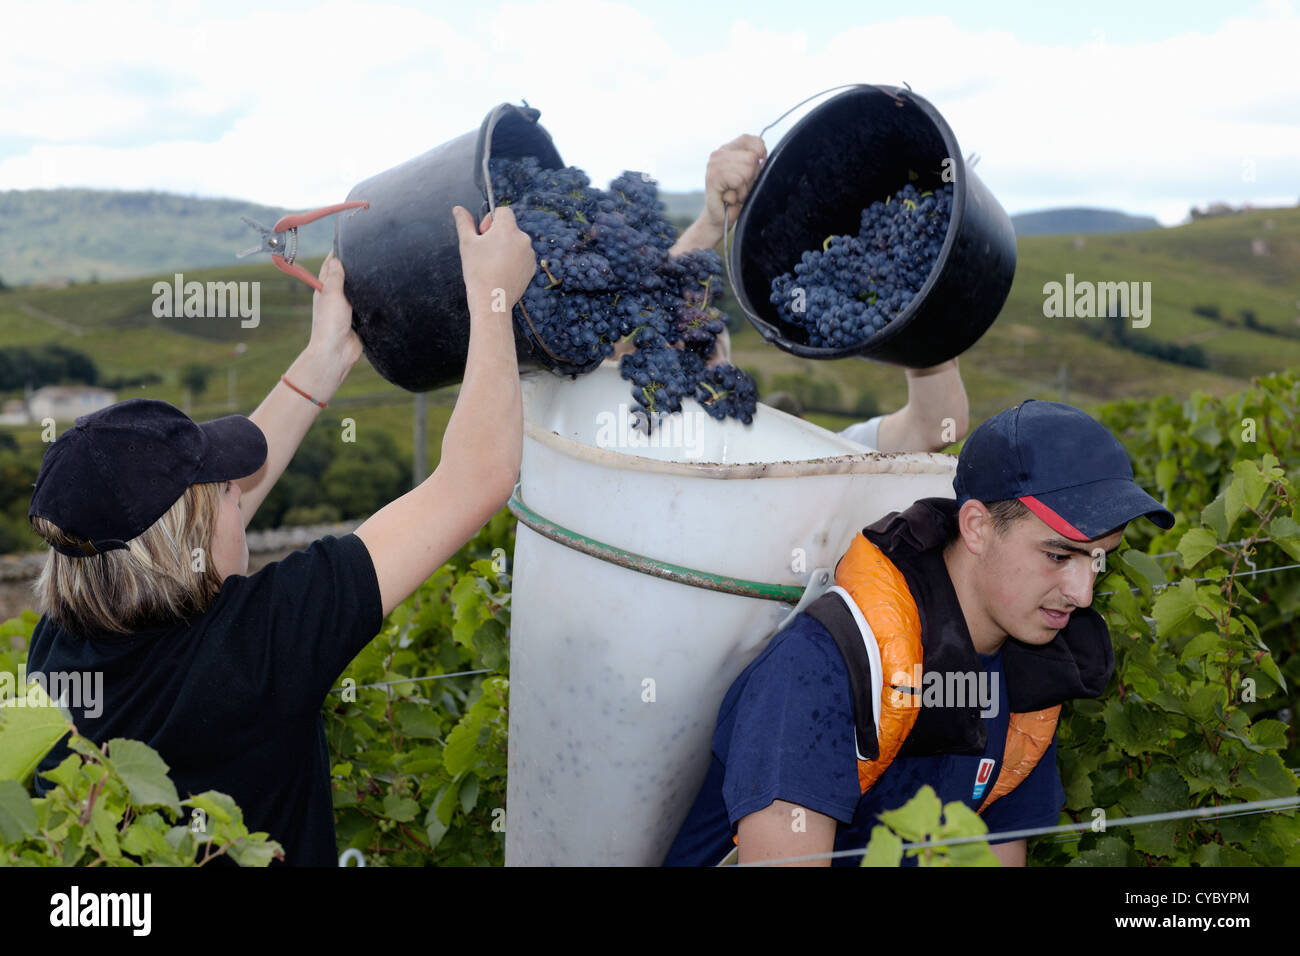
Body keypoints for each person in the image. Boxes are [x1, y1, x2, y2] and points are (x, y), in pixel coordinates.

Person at [23, 205, 537, 866]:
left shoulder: (60, 647)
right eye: (230, 497)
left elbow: (172, 532)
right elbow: (479, 476)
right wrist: (493, 298)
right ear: (192, 548)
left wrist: (324, 359)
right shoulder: (263, 644)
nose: (246, 493)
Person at [662, 399, 1175, 866]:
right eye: (1058, 555)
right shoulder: (827, 668)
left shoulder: (1031, 679)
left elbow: (995, 858)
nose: (1083, 593)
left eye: (1098, 560)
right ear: (975, 527)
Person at [612, 133, 968, 453]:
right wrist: (711, 225)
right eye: (678, 344)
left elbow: (939, 426)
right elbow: (619, 334)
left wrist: (916, 304)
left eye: (707, 345)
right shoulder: (622, 443)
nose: (692, 351)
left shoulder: (798, 455)